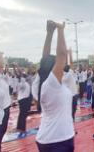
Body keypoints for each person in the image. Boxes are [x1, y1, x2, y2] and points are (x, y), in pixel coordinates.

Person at [33, 20, 74, 151]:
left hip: (53, 138)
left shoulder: (45, 84)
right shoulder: (51, 84)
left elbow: (45, 58)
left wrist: (49, 33)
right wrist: (61, 30)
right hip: (57, 141)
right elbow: (61, 55)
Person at [0, 51, 11, 150]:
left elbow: (1, 68)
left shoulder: (2, 79)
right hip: (2, 109)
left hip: (6, 107)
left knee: (2, 130)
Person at [62, 49, 79, 121]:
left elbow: (67, 64)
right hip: (73, 95)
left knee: (69, 110)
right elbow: (71, 63)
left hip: (67, 96)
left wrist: (66, 55)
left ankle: (70, 120)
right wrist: (69, 54)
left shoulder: (62, 76)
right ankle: (72, 119)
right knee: (73, 110)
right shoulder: (70, 73)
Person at [16, 69, 32, 137]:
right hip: (23, 101)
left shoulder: (25, 84)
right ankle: (22, 129)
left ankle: (20, 128)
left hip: (24, 100)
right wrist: (17, 68)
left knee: (22, 115)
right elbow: (21, 77)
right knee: (23, 116)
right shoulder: (23, 84)